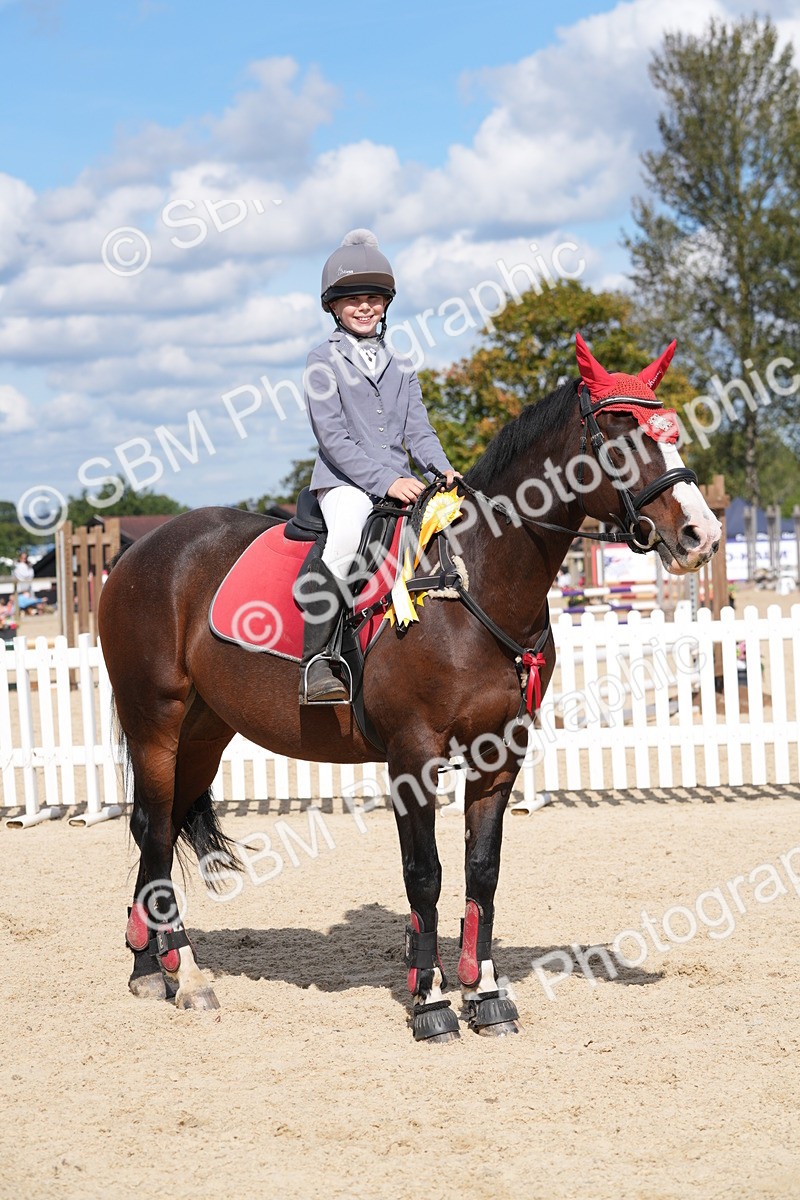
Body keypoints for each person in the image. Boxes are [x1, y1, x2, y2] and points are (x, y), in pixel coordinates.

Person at [298, 229, 459, 703]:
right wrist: (387, 481)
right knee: (348, 537)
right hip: (344, 485)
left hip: (402, 482)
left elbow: (420, 433)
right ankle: (318, 661)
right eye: (353, 300)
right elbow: (334, 438)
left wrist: (443, 471)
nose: (364, 307)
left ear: (386, 303)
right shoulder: (321, 361)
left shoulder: (403, 364)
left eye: (373, 298)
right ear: (333, 306)